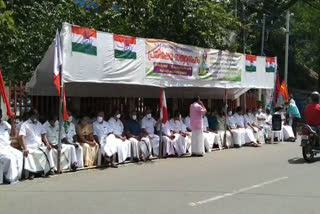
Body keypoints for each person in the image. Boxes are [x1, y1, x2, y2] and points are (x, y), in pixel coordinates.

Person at [19, 109, 55, 179]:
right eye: (35, 115)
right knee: (28, 154)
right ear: (31, 116)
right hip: (29, 146)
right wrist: (25, 148)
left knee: (48, 149)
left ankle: (48, 169)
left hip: (39, 146)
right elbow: (22, 137)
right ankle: (31, 173)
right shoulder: (25, 124)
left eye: (37, 115)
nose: (36, 117)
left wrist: (47, 144)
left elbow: (43, 135)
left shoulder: (39, 124)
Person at [0, 110, 23, 184]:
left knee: (19, 154)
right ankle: (10, 178)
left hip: (8, 147)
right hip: (1, 148)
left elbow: (13, 134)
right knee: (11, 158)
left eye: (0, 114)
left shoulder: (5, 123)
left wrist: (12, 121)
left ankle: (18, 176)